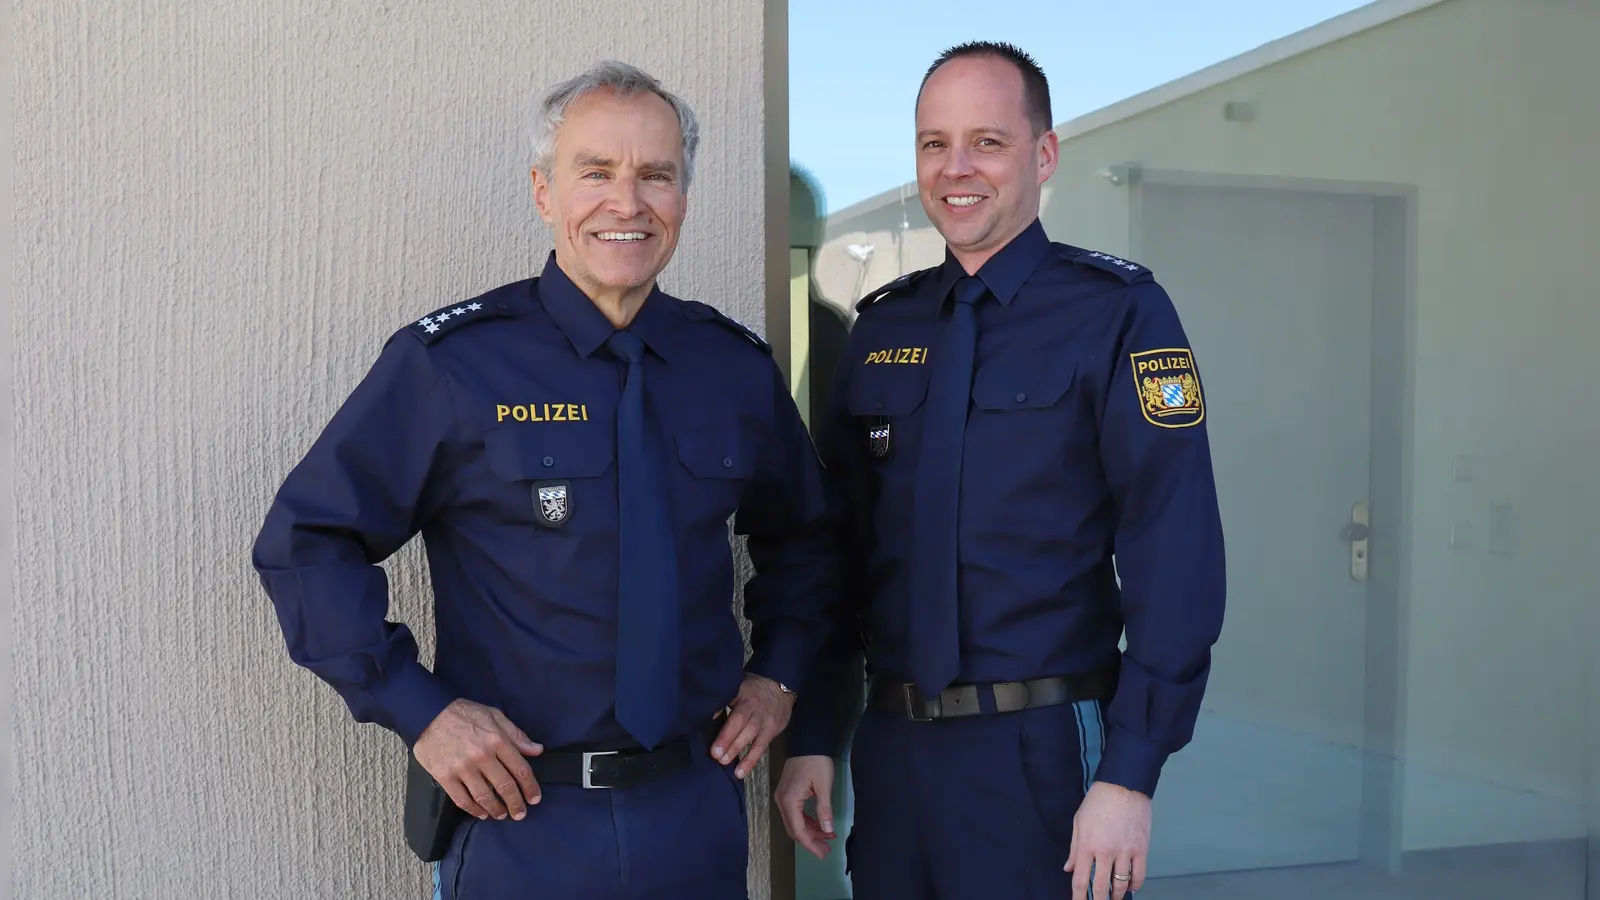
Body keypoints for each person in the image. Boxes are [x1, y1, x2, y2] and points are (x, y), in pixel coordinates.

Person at [253, 60, 835, 900]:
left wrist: (778, 677)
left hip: (694, 816)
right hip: (522, 824)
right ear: (543, 192)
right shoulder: (453, 366)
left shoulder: (732, 368)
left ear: (683, 197)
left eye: (655, 176)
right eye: (595, 172)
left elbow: (808, 538)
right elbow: (307, 543)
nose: (626, 203)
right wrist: (420, 711)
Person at [775, 41, 1226, 900]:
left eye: (988, 141)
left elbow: (1177, 555)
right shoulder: (881, 331)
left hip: (1045, 753)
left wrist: (1130, 774)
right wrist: (814, 731)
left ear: (1043, 154)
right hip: (895, 748)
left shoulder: (1119, 314)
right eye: (933, 144)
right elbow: (835, 557)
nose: (957, 169)